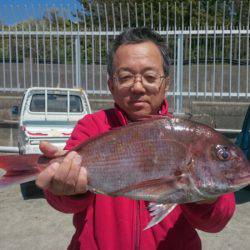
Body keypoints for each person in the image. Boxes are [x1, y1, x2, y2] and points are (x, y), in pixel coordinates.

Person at [36, 27, 235, 250]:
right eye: (126, 77)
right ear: (111, 85)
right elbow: (61, 202)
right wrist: (65, 188)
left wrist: (206, 197)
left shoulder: (187, 135)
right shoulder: (91, 127)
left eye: (150, 77)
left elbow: (217, 221)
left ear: (166, 83)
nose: (138, 87)